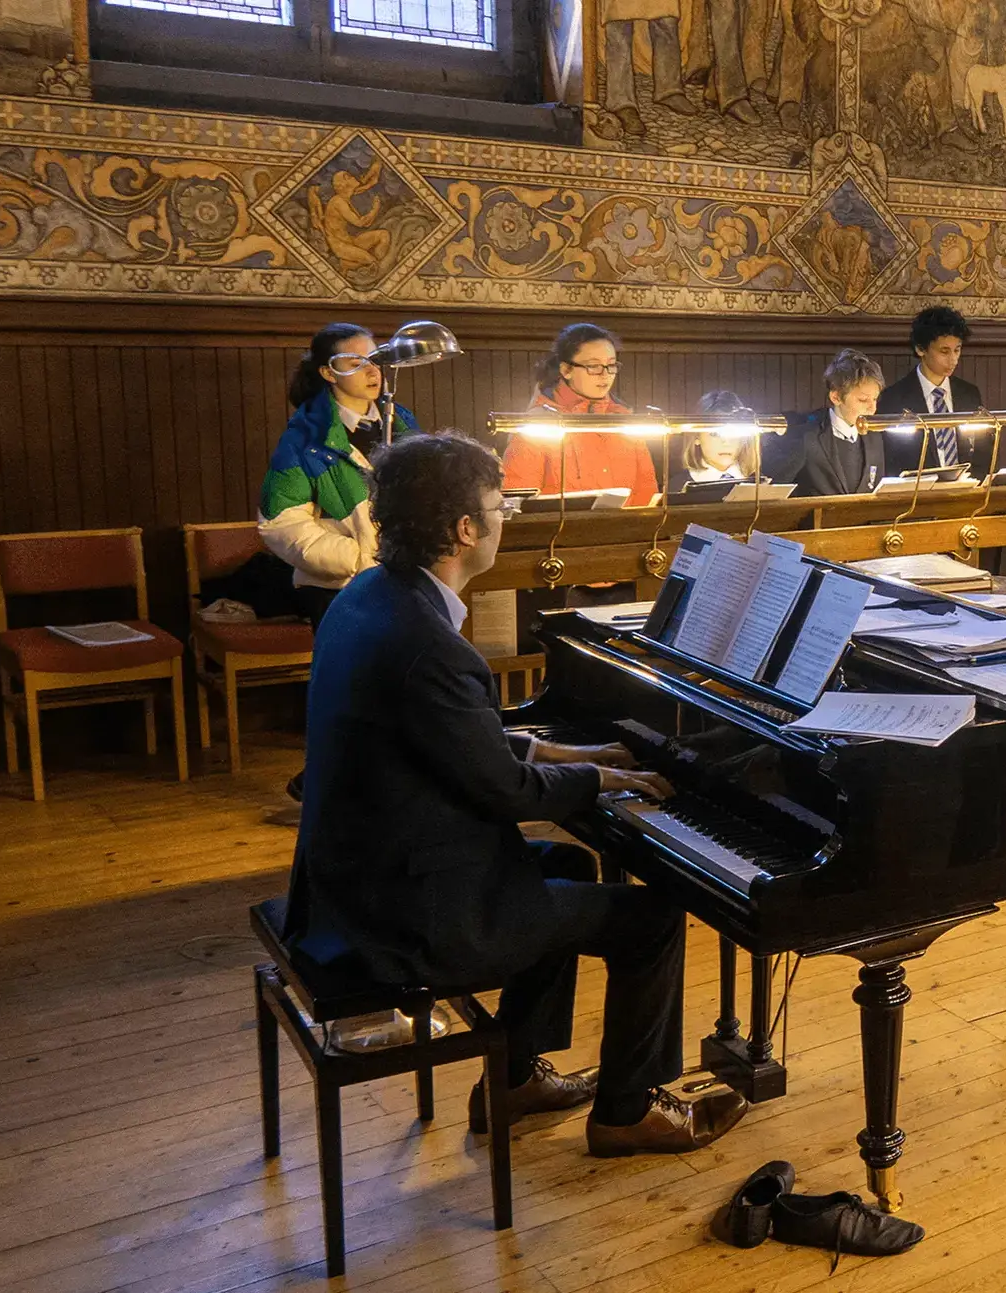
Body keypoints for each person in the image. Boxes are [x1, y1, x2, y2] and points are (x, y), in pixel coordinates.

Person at [273, 431, 747, 1155]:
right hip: (401, 916)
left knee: (568, 869)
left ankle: (517, 1077)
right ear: (465, 529)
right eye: (500, 507)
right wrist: (597, 779)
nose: (506, 519)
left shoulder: (371, 597)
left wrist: (565, 751)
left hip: (355, 874)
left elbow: (450, 744)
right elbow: (502, 790)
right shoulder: (432, 645)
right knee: (651, 916)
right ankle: (628, 1114)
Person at [262, 323, 415, 625]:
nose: (372, 371)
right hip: (341, 590)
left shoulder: (400, 424)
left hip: (406, 579)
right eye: (356, 364)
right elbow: (279, 523)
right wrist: (358, 558)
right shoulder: (306, 439)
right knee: (350, 672)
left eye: (376, 359)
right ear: (328, 373)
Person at [500, 323, 658, 506]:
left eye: (611, 365)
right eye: (593, 366)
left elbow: (645, 494)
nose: (605, 375)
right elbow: (518, 502)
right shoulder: (538, 424)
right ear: (566, 370)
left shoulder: (625, 421)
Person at [875, 306, 986, 475]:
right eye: (944, 351)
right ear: (920, 349)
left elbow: (984, 450)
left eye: (957, 350)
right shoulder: (893, 398)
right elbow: (889, 459)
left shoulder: (969, 394)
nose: (953, 359)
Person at [763, 350, 883, 497]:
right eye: (863, 400)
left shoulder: (874, 437)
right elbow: (775, 490)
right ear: (836, 397)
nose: (873, 408)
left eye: (875, 399)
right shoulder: (807, 436)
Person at [670, 390, 761, 495]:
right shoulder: (677, 488)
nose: (726, 442)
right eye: (715, 434)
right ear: (696, 437)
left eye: (733, 433)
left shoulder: (761, 484)